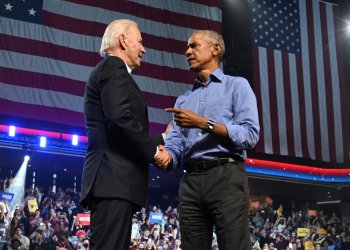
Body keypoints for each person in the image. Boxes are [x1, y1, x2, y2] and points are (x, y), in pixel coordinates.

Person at [161, 30, 260, 249]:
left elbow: (250, 135)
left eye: (194, 46)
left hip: (226, 176)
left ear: (216, 49)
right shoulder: (184, 99)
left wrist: (203, 123)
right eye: (187, 47)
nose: (187, 52)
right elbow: (175, 145)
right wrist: (164, 155)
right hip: (191, 182)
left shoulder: (237, 86)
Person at [80, 19, 167, 250]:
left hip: (115, 183)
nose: (143, 48)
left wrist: (164, 139)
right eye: (139, 42)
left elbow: (121, 129)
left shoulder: (115, 71)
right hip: (112, 181)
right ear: (122, 40)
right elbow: (119, 118)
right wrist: (154, 151)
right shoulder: (113, 67)